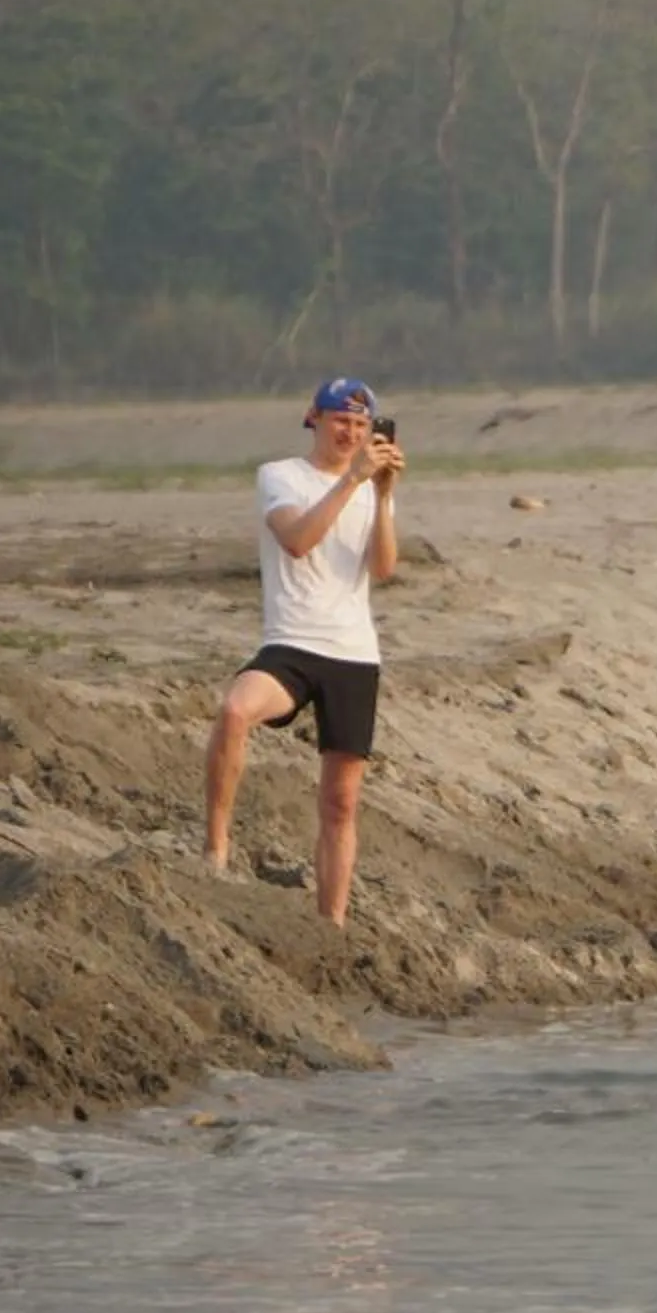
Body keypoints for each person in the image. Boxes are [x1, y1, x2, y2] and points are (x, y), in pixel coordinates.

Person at [203, 374, 407, 926]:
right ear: (314, 417)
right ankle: (216, 849)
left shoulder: (369, 485)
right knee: (235, 709)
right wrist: (351, 482)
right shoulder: (281, 476)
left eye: (362, 425)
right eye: (342, 420)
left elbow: (384, 568)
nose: (351, 432)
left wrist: (382, 495)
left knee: (341, 801)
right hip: (292, 643)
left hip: (353, 653)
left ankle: (331, 922)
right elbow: (297, 541)